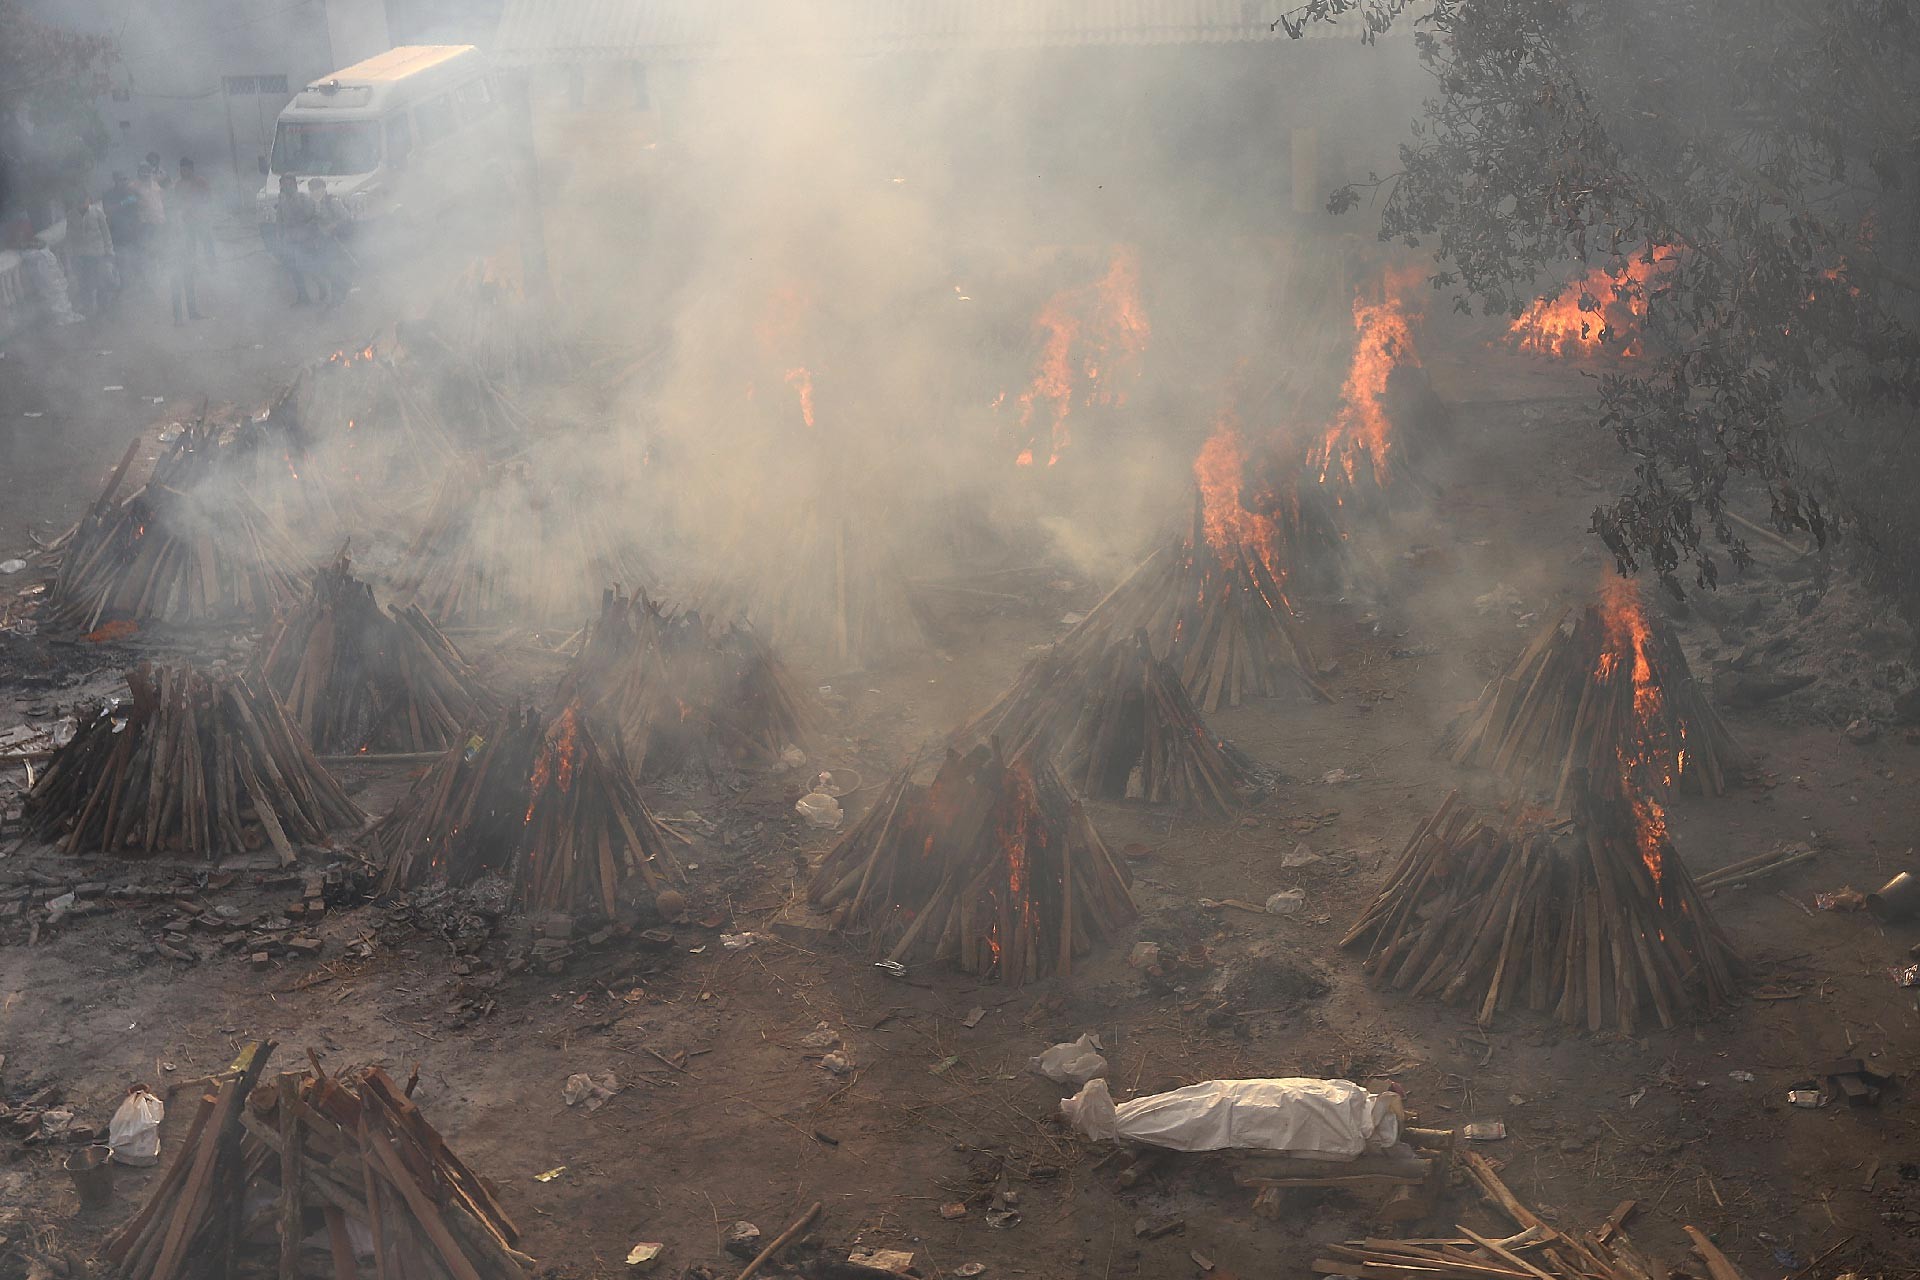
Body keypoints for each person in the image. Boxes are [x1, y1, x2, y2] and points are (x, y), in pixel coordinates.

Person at [63, 190, 115, 316]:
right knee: (85, 283)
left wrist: (109, 251)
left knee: (101, 281)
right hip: (81, 256)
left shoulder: (97, 212)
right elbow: (69, 237)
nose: (82, 204)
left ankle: (105, 308)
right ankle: (89, 309)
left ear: (89, 200)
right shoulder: (71, 215)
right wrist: (69, 256)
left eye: (84, 201)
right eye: (79, 202)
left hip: (98, 254)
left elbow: (106, 233)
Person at [274, 173, 317, 305]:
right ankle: (303, 296)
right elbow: (280, 219)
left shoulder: (304, 199)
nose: (285, 187)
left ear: (294, 185)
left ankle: (322, 287)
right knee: (293, 269)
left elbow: (312, 218)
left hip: (304, 239)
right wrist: (280, 236)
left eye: (288, 184)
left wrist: (310, 236)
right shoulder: (282, 200)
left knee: (310, 267)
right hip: (289, 240)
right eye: (283, 185)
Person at [307, 177, 350, 306]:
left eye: (317, 188)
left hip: (335, 241)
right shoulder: (314, 203)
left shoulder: (333, 201)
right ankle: (343, 285)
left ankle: (337, 299)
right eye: (312, 189)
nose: (315, 192)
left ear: (323, 188)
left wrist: (332, 226)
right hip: (321, 241)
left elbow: (347, 217)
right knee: (321, 268)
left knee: (332, 268)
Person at [163, 193, 203, 325]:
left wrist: (192, 256)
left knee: (189, 284)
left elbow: (189, 239)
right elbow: (164, 242)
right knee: (176, 287)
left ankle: (192, 312)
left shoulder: (185, 220)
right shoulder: (166, 222)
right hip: (173, 256)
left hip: (185, 255)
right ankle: (178, 317)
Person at [104, 172, 145, 291]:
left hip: (133, 233)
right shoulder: (109, 194)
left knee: (138, 260)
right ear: (115, 181)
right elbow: (107, 210)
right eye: (121, 180)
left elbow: (141, 207)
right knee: (121, 263)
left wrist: (138, 227)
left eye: (125, 179)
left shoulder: (132, 192)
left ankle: (142, 287)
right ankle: (123, 288)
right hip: (117, 234)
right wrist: (123, 203)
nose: (123, 182)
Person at [174, 157, 215, 267]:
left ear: (191, 169)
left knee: (207, 242)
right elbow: (177, 202)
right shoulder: (178, 184)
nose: (183, 172)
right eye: (181, 169)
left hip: (201, 218)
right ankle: (192, 266)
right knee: (190, 245)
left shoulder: (200, 181)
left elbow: (208, 197)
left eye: (186, 169)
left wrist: (199, 206)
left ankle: (212, 265)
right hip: (187, 220)